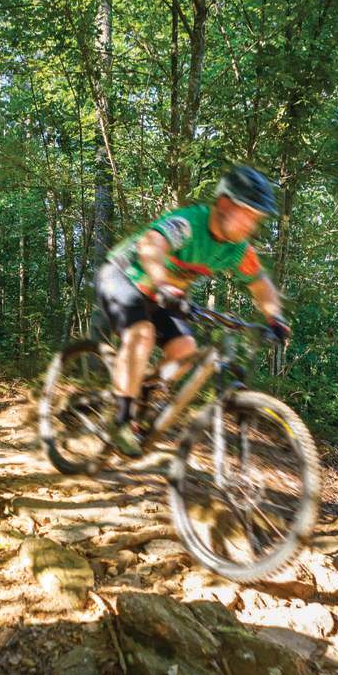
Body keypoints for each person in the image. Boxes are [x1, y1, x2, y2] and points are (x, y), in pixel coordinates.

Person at [95, 165, 290, 457]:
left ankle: (141, 387)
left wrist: (275, 317)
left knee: (185, 351)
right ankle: (120, 420)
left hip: (161, 295)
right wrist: (162, 283)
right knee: (142, 333)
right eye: (248, 215)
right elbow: (152, 243)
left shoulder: (238, 249)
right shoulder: (188, 223)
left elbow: (260, 282)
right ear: (224, 204)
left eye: (256, 220)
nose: (252, 226)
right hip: (124, 277)